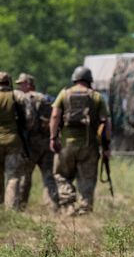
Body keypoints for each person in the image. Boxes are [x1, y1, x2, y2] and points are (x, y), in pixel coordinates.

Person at [50, 66, 110, 214]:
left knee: (62, 175)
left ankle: (68, 206)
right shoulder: (97, 97)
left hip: (66, 145)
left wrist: (52, 138)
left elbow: (55, 116)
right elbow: (106, 123)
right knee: (87, 178)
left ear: (74, 79)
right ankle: (84, 209)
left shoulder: (64, 94)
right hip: (89, 146)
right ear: (90, 80)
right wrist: (106, 146)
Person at [15, 73, 60, 209]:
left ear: (28, 84)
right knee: (48, 175)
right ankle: (53, 206)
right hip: (47, 143)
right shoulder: (46, 98)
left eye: (22, 84)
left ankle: (21, 206)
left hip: (31, 144)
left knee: (25, 175)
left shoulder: (24, 99)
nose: (20, 87)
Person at [0, 71, 31, 210]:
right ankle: (11, 209)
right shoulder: (17, 95)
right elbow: (29, 118)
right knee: (12, 176)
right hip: (13, 141)